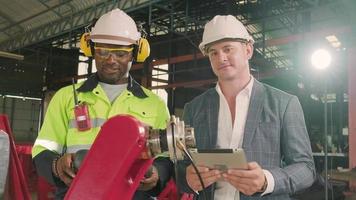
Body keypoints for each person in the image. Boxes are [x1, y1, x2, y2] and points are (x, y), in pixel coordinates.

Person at [32, 9, 172, 199]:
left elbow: (165, 158)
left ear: (135, 54)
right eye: (103, 51)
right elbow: (43, 149)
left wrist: (157, 174)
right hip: (78, 194)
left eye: (121, 53)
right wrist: (56, 166)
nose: (110, 60)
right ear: (91, 50)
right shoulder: (65, 98)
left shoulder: (154, 104)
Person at [177, 15, 316, 199]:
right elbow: (181, 166)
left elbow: (306, 168)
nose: (221, 58)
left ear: (248, 50)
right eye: (213, 52)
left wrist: (267, 180)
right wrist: (187, 178)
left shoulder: (283, 104)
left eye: (228, 49)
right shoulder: (194, 108)